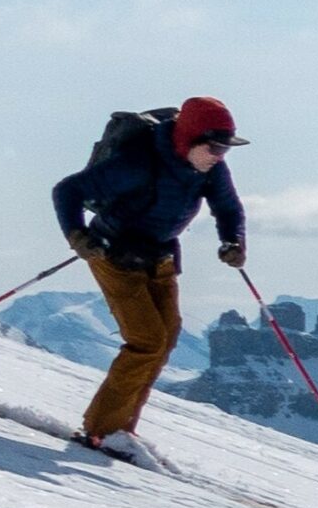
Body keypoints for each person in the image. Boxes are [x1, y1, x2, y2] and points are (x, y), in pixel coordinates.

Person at [52, 96, 248, 452]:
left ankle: (122, 429)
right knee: (146, 342)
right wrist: (77, 236)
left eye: (225, 148)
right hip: (113, 254)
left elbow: (228, 208)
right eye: (215, 147)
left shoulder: (210, 168)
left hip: (160, 256)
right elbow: (68, 190)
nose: (220, 155)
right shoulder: (138, 164)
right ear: (189, 138)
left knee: (165, 339)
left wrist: (233, 241)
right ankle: (99, 430)